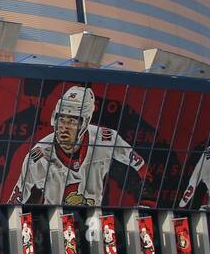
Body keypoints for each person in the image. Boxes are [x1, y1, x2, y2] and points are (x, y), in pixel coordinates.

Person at [9, 85, 143, 206]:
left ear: (85, 122)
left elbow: (142, 169)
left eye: (72, 121)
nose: (64, 128)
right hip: (56, 225)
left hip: (93, 222)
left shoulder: (106, 140)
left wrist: (146, 203)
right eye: (61, 119)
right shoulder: (39, 157)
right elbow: (16, 201)